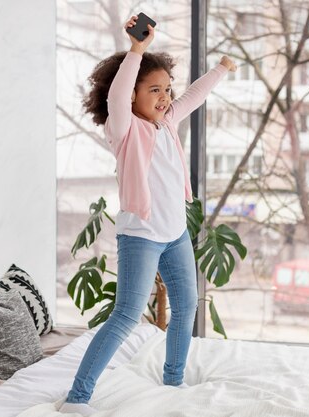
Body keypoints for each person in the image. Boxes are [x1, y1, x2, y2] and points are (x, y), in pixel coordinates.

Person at [58, 15, 237, 416]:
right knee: (123, 316)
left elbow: (192, 97)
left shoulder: (167, 121)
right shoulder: (124, 129)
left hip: (175, 234)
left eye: (166, 89)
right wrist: (137, 50)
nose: (164, 97)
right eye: (154, 90)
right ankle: (77, 398)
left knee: (186, 306)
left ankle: (173, 380)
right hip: (141, 235)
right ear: (134, 93)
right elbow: (118, 98)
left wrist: (221, 70)